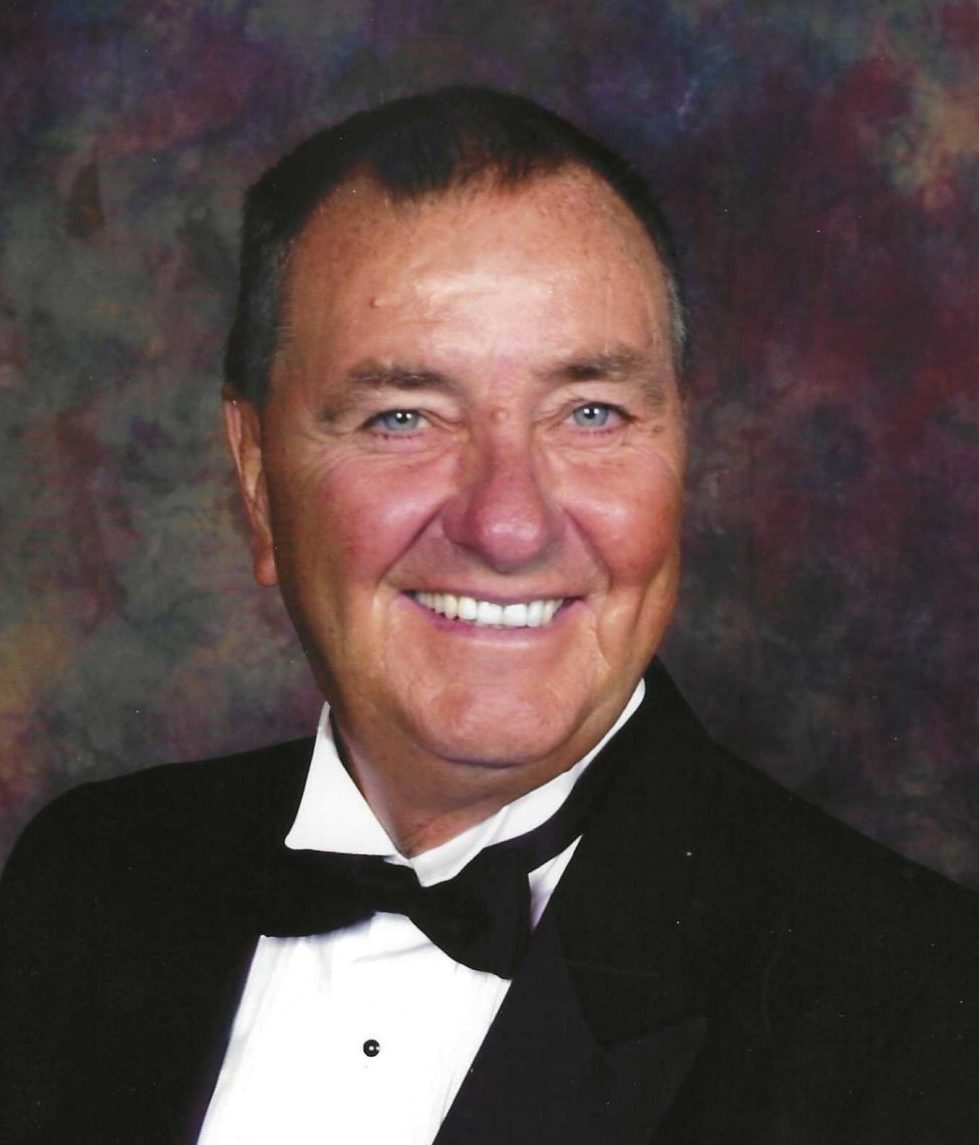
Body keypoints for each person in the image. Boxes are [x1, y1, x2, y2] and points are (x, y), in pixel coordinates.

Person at [1, 86, 977, 1145]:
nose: (507, 524)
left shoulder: (917, 1008)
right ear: (255, 475)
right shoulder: (87, 876)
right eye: (403, 416)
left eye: (591, 412)